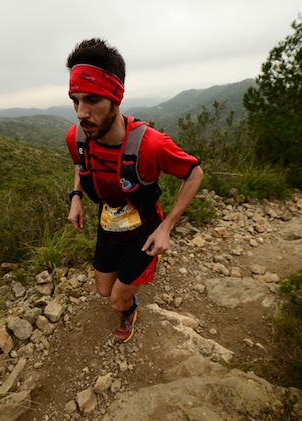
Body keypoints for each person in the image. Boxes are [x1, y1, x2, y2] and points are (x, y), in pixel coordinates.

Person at [65, 38, 204, 343]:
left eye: (92, 100)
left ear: (115, 98)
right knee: (103, 290)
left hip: (143, 232)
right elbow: (79, 164)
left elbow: (194, 173)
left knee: (117, 300)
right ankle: (126, 289)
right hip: (108, 225)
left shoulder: (150, 144)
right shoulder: (77, 137)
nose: (80, 112)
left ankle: (129, 309)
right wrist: (76, 197)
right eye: (75, 100)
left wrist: (167, 227)